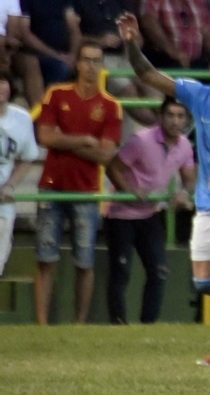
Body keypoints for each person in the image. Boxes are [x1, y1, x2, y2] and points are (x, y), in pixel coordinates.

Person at [32, 43, 121, 325]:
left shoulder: (110, 106)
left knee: (85, 262)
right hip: (52, 185)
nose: (91, 66)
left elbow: (106, 154)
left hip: (87, 190)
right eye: (86, 60)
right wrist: (83, 140)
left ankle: (80, 324)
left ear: (102, 65)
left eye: (97, 61)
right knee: (46, 258)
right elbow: (45, 137)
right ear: (78, 63)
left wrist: (65, 141)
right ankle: (43, 323)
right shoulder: (56, 94)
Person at [103, 97, 194, 325]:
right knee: (121, 271)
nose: (175, 121)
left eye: (180, 116)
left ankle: (148, 324)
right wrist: (130, 190)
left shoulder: (184, 146)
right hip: (121, 215)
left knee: (158, 270)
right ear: (161, 118)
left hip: (150, 213)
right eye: (170, 115)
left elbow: (190, 179)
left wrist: (184, 193)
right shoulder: (141, 141)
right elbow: (114, 168)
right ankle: (118, 323)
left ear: (186, 120)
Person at [13, 0, 79, 101]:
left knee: (93, 67)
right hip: (33, 54)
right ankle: (49, 116)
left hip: (65, 54)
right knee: (60, 68)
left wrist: (73, 55)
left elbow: (74, 29)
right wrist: (57, 56)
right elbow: (24, 34)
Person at [0, 73, 41, 276]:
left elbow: (28, 157)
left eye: (3, 81)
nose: (1, 86)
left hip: (3, 204)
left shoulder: (22, 118)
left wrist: (10, 185)